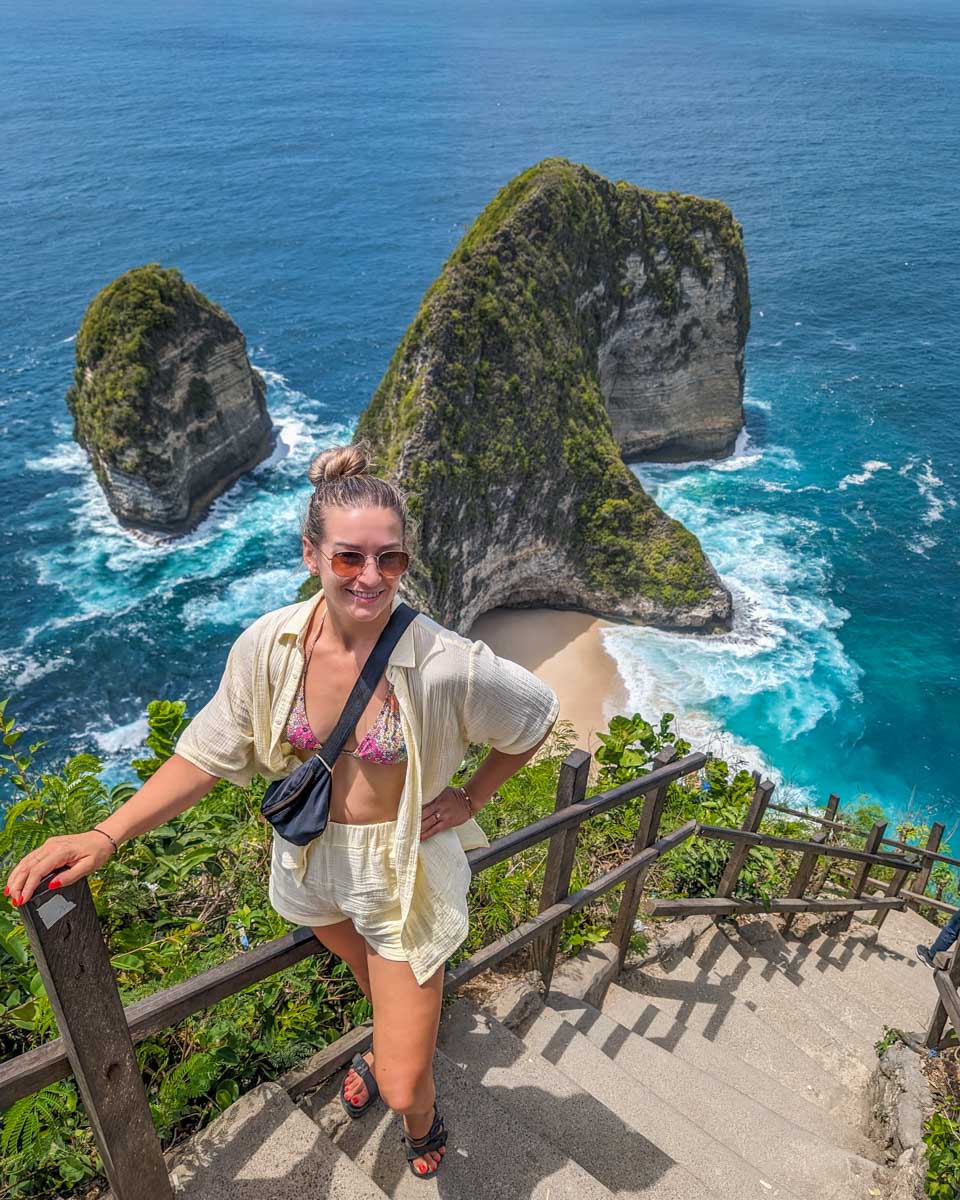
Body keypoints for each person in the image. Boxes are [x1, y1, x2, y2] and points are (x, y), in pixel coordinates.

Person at [3, 440, 560, 1180]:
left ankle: (422, 1120)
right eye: (349, 558)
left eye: (389, 559)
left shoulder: (445, 662)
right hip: (310, 864)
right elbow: (207, 751)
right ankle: (395, 1033)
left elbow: (535, 715)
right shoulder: (272, 645)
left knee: (400, 1082)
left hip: (399, 876)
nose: (371, 577)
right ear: (311, 554)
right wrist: (107, 833)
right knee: (381, 996)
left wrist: (471, 797)